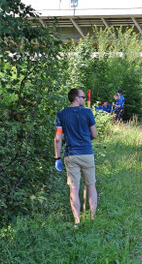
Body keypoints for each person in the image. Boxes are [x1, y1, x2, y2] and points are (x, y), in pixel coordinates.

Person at [54, 88, 98, 226]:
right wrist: (86, 136)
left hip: (70, 155)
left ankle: (77, 221)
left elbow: (58, 138)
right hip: (86, 153)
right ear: (76, 98)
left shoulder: (61, 114)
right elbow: (95, 134)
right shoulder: (87, 112)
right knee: (90, 186)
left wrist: (57, 158)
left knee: (74, 188)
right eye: (83, 97)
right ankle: (92, 217)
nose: (84, 100)